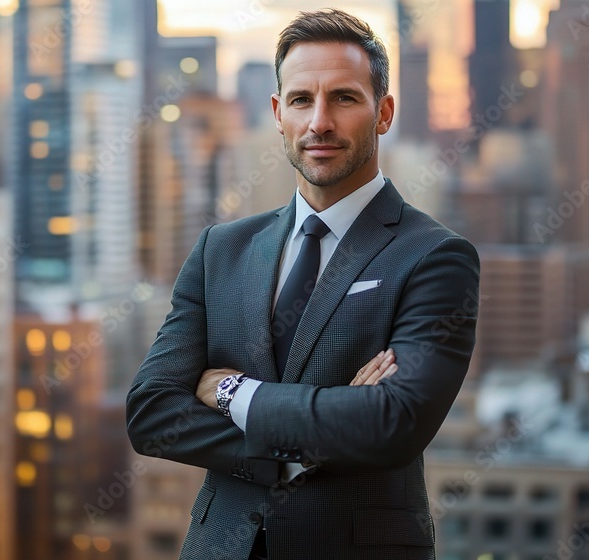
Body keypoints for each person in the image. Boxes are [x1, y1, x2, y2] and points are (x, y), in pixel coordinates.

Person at [126, 8, 480, 560]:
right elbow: (152, 413)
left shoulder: (436, 257)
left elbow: (393, 424)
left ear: (383, 112)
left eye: (344, 98)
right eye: (300, 100)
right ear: (277, 112)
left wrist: (232, 393)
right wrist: (304, 444)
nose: (319, 122)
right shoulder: (222, 249)